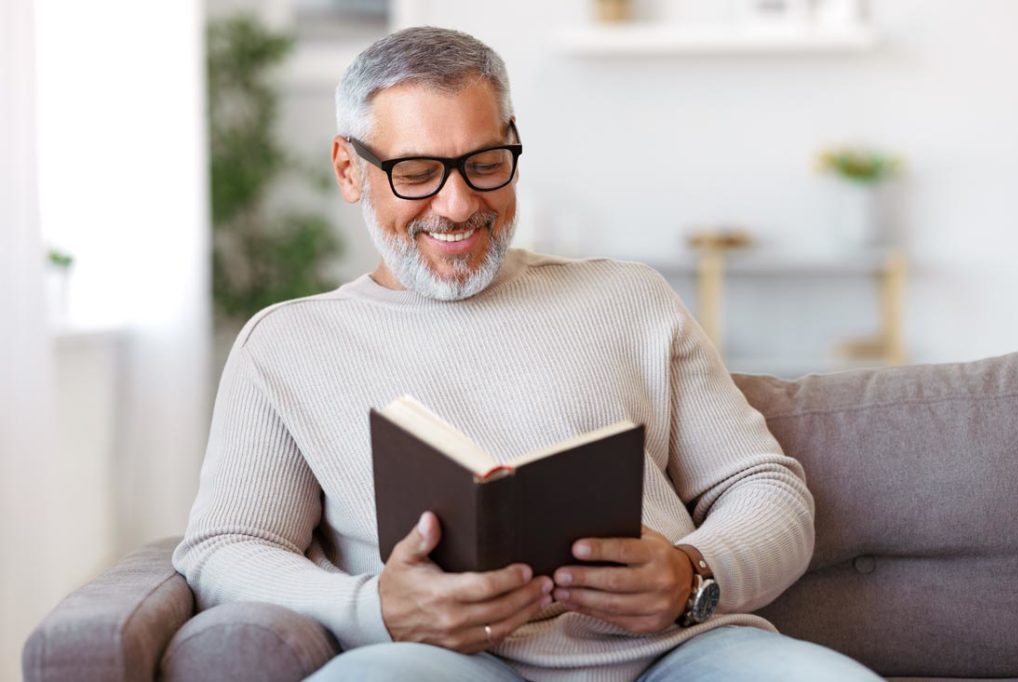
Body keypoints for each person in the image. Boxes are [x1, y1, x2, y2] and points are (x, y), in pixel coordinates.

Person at [173, 26, 881, 681]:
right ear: (349, 169)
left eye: (485, 164)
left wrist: (693, 571)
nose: (456, 205)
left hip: (680, 656)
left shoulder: (627, 297)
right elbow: (224, 547)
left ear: (513, 144)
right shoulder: (286, 346)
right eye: (417, 173)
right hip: (446, 664)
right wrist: (375, 608)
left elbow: (767, 488)